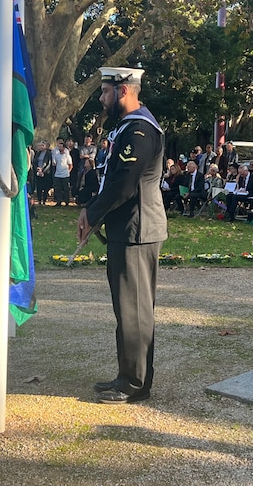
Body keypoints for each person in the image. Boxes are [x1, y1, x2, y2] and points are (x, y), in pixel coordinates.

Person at [77, 66, 167, 405]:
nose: (101, 99)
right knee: (126, 307)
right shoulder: (129, 128)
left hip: (137, 228)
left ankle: (135, 384)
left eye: (104, 92)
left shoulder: (141, 130)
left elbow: (124, 185)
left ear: (124, 91)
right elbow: (110, 180)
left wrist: (92, 213)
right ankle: (126, 373)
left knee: (135, 309)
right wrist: (92, 210)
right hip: (127, 228)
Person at [51, 139, 72, 206]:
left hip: (65, 175)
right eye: (58, 147)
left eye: (61, 147)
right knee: (58, 189)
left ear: (64, 148)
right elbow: (55, 164)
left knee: (66, 189)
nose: (59, 148)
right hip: (58, 174)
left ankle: (66, 201)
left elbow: (70, 165)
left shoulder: (67, 156)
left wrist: (68, 172)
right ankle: (59, 201)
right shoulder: (57, 156)